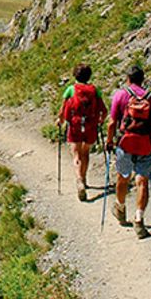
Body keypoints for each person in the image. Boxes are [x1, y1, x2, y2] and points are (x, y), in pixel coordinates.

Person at [105, 65, 151, 239]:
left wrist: (109, 141)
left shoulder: (121, 95)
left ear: (128, 79)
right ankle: (139, 219)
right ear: (142, 79)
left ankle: (120, 208)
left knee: (123, 177)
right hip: (145, 143)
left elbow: (112, 122)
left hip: (126, 143)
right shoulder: (150, 98)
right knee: (142, 180)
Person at [57, 63, 107, 201]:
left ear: (75, 75)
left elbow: (63, 109)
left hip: (75, 126)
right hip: (90, 125)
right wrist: (100, 121)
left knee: (76, 154)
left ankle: (79, 180)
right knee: (85, 153)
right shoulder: (95, 90)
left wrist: (60, 120)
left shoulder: (70, 90)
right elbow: (104, 110)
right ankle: (84, 179)